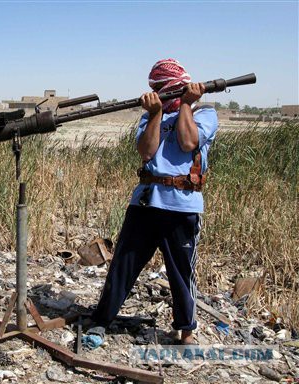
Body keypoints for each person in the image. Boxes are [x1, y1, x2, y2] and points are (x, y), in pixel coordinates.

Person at [90, 59, 218, 345]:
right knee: (123, 264)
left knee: (182, 272)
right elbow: (147, 152)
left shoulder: (205, 114)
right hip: (146, 203)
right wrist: (157, 113)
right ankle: (101, 321)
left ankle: (186, 330)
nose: (159, 92)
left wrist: (185, 104)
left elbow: (187, 142)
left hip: (183, 206)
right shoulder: (151, 117)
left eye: (163, 88)